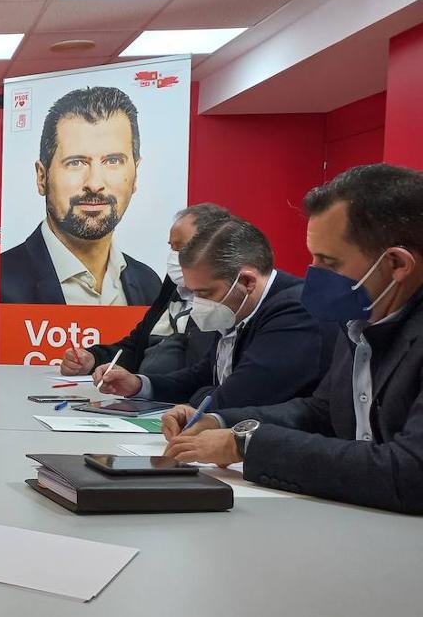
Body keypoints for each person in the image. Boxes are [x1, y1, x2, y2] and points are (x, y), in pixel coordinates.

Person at [163, 164, 423, 514]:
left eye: (329, 262)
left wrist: (247, 445)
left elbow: (409, 472)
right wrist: (223, 422)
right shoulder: (361, 321)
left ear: (397, 264)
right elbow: (320, 412)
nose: (312, 275)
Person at [97, 216, 334, 409]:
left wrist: (206, 394)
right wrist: (139, 385)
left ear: (247, 281)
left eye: (206, 293)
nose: (198, 303)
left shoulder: (295, 311)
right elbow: (201, 376)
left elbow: (240, 397)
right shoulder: (238, 307)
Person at [0, 86, 161, 305]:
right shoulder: (0, 283)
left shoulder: (149, 284)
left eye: (113, 161)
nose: (94, 184)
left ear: (135, 173)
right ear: (42, 177)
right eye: (76, 162)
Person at [60, 203, 231, 376]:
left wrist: (144, 387)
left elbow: (202, 374)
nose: (173, 256)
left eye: (181, 248)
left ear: (213, 250)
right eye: (171, 247)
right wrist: (93, 359)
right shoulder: (172, 287)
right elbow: (135, 348)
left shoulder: (223, 306)